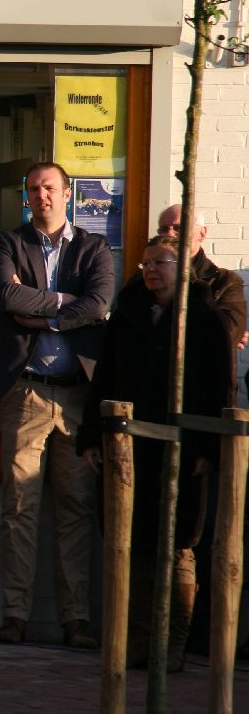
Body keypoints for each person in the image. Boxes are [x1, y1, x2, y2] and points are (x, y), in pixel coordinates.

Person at [81, 235, 235, 672]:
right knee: (131, 543)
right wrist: (91, 437)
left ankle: (172, 644)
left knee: (179, 544)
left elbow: (221, 386)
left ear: (182, 267)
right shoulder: (127, 313)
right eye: (145, 263)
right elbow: (104, 378)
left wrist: (209, 449)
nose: (150, 269)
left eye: (160, 262)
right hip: (130, 448)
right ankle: (136, 641)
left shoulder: (205, 317)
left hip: (183, 450)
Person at [0, 161, 113, 648]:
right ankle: (14, 615)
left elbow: (99, 304)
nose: (43, 195)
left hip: (78, 395)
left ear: (67, 193)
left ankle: (75, 619)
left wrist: (45, 314)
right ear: (27, 196)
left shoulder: (93, 248)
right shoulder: (8, 243)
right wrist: (64, 302)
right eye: (35, 189)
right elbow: (7, 295)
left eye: (50, 188)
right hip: (26, 393)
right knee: (19, 507)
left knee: (76, 508)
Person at [156, 204, 247, 350]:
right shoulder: (145, 278)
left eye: (179, 228)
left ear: (202, 233)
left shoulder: (225, 282)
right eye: (163, 229)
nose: (170, 234)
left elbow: (225, 336)